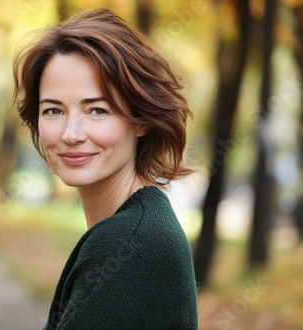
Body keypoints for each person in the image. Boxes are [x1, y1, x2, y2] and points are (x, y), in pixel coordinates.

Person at [12, 7, 198, 330]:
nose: (71, 134)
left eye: (97, 110)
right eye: (53, 110)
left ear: (140, 120)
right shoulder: (144, 223)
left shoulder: (126, 244)